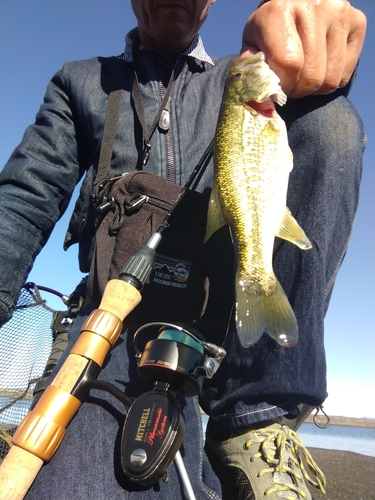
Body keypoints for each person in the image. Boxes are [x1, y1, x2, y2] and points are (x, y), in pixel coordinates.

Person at [0, 0, 367, 499]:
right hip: (113, 335)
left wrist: (310, 40)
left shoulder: (243, 76)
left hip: (224, 340)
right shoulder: (81, 81)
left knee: (331, 119)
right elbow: (23, 196)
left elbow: (315, 113)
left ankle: (254, 415)